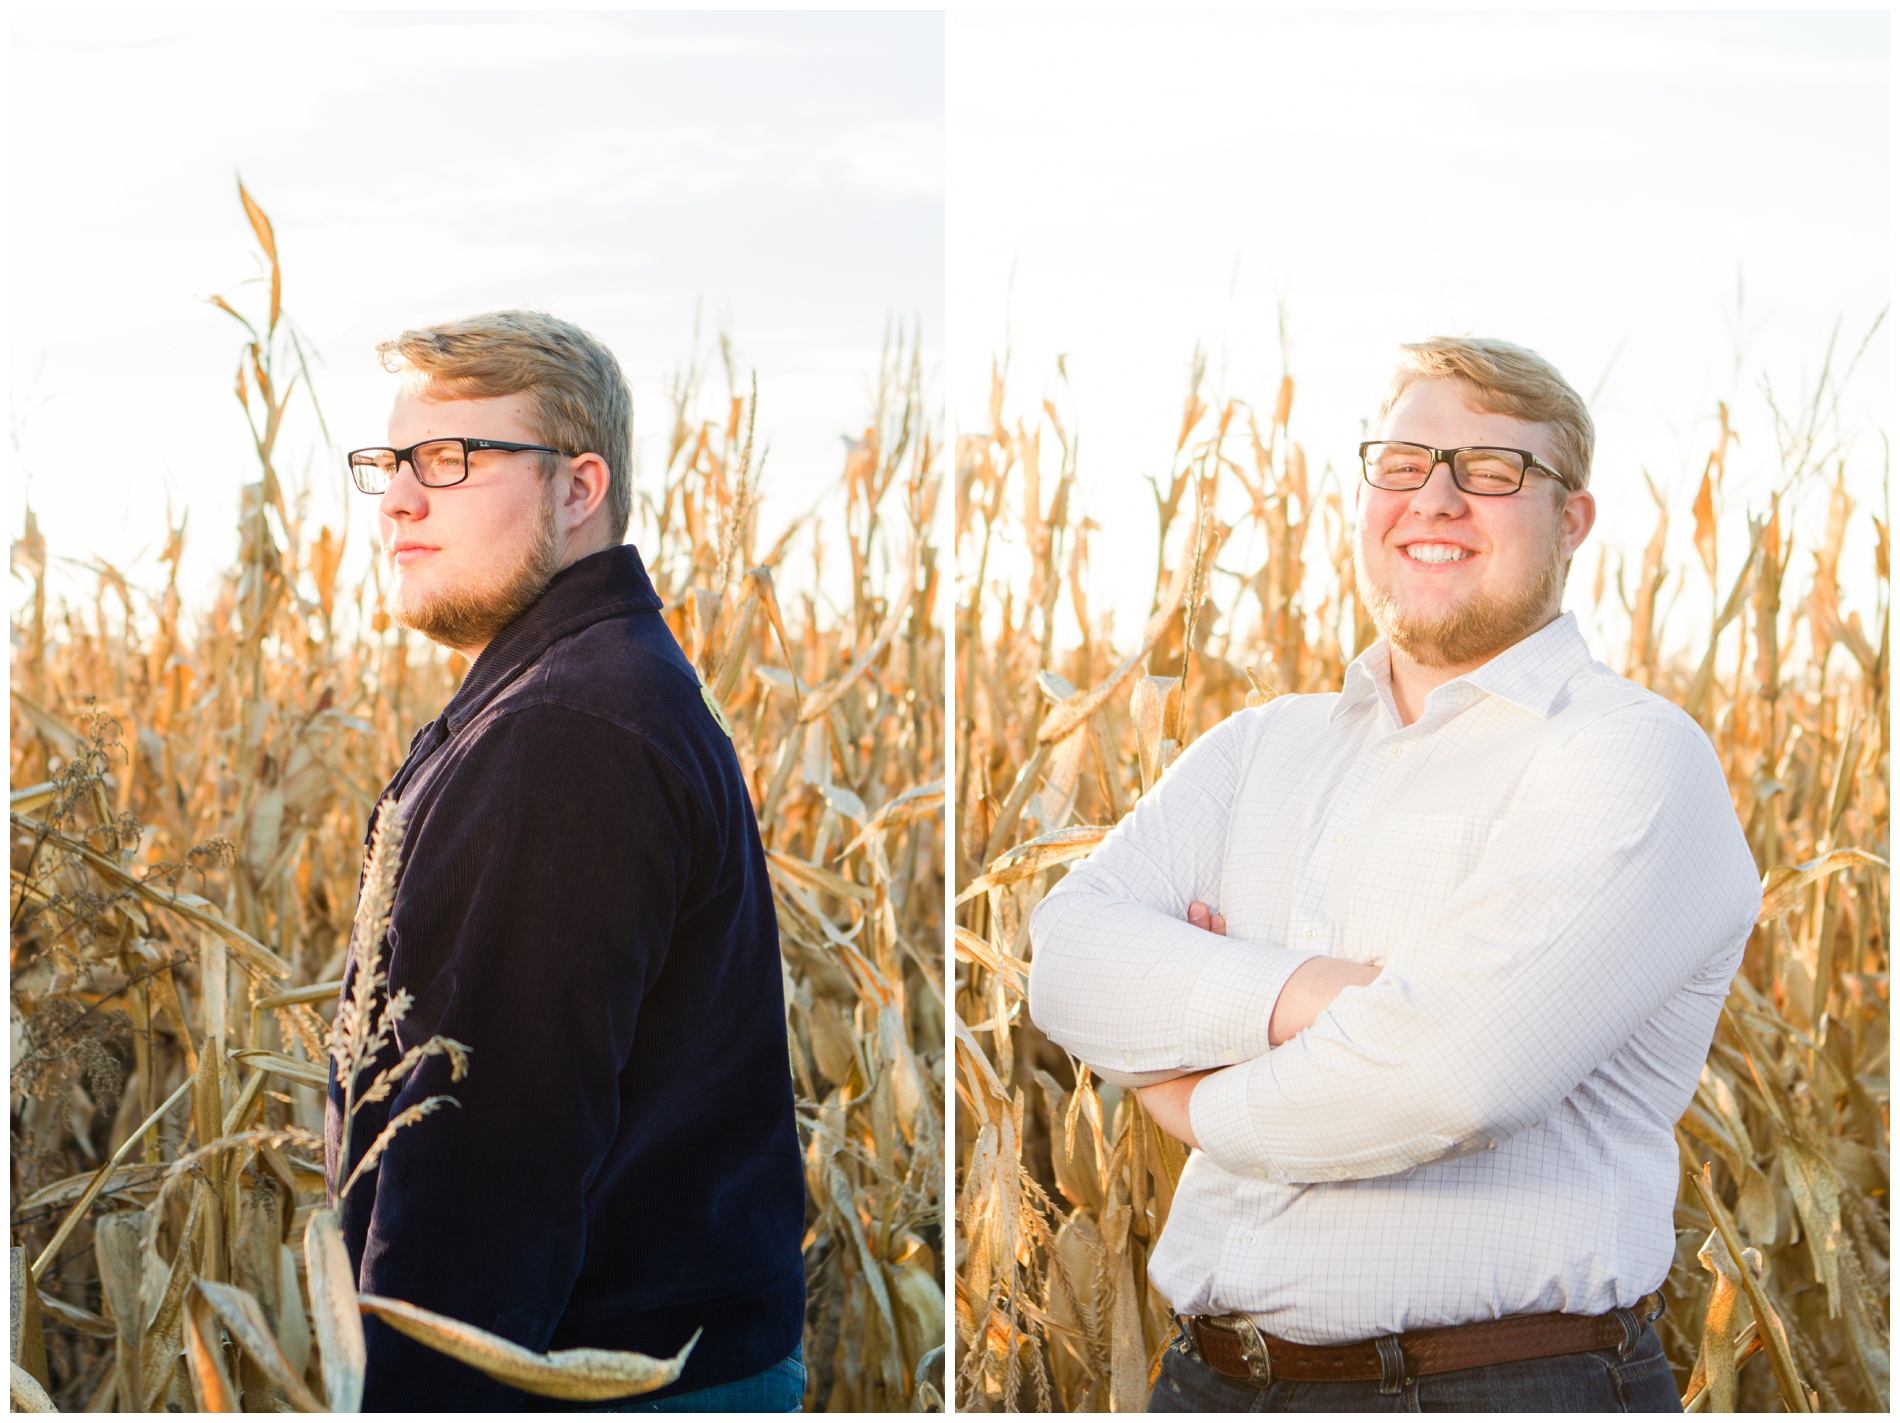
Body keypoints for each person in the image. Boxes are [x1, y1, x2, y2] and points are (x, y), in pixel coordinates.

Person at [1027, 337, 1761, 1412]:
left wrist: (1188, 1099)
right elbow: (1067, 960)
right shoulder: (1258, 747)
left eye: (1493, 470)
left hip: (1498, 1386)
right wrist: (1310, 993)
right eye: (1405, 463)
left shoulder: (1628, 755)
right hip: (1212, 1383)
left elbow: (1445, 1079)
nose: (1438, 498)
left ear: (1573, 520)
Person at [325, 311, 807, 1412]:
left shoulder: (569, 729)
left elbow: (486, 1151)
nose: (400, 497)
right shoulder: (579, 689)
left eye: (450, 460)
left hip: (601, 1382)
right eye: (392, 463)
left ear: (578, 487)